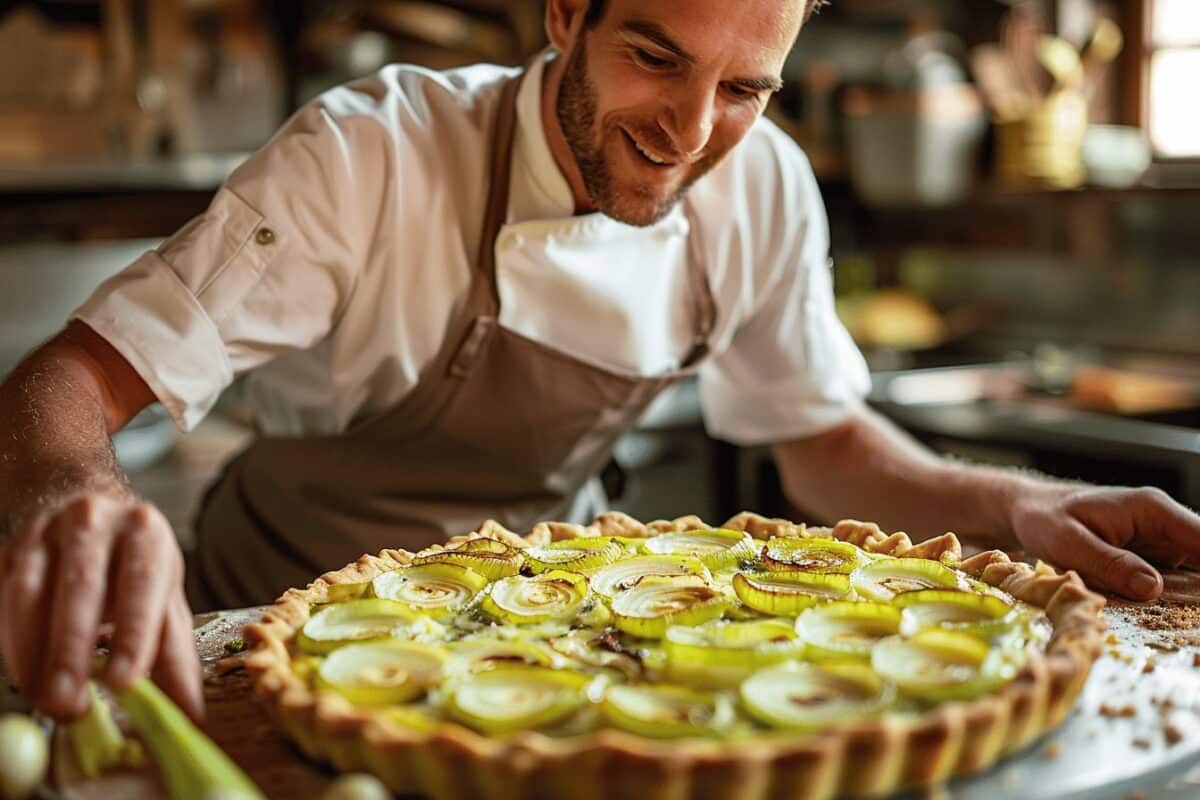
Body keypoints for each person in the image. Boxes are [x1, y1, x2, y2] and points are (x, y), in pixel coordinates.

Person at [2, 0, 1198, 726]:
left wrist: (1019, 506)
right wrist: (77, 499)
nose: (688, 135)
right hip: (280, 639)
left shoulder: (761, 184)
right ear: (566, 12)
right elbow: (64, 383)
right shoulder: (373, 158)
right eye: (657, 57)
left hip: (566, 651)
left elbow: (822, 438)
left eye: (743, 88)